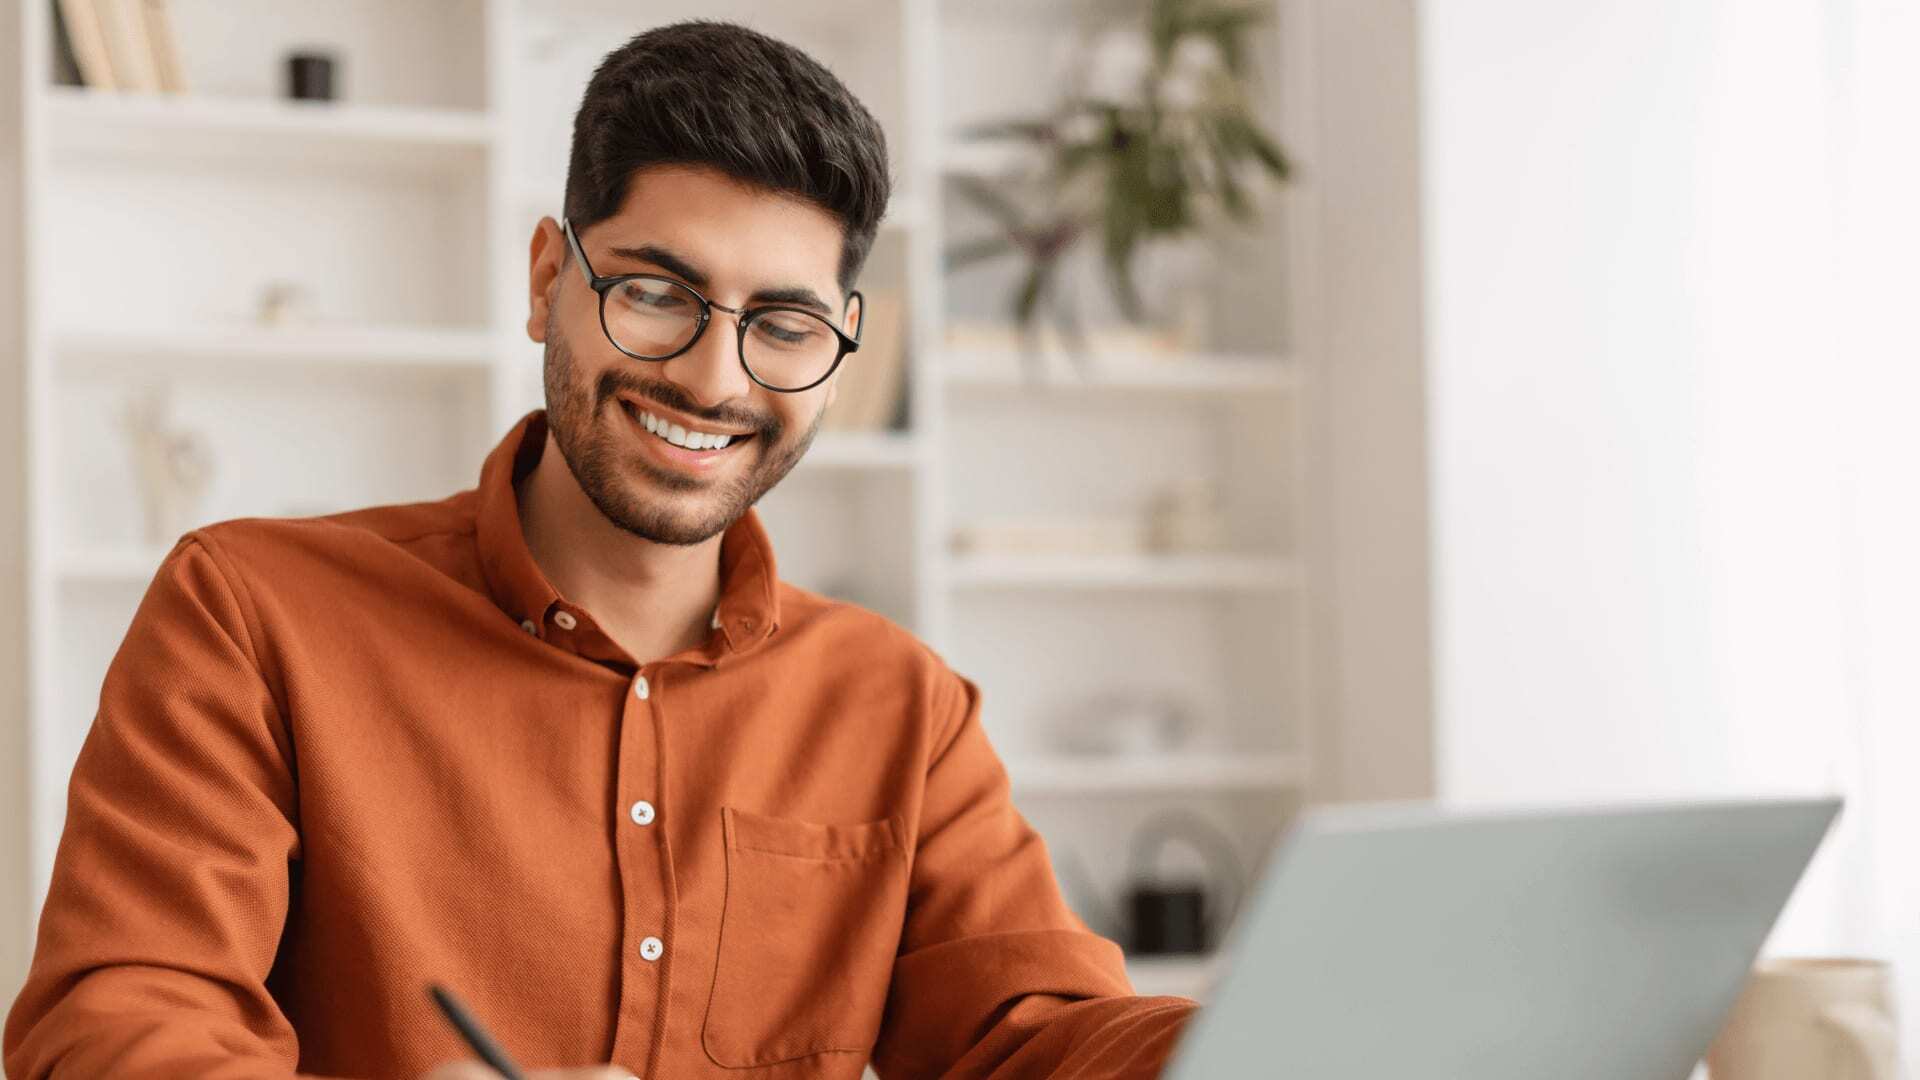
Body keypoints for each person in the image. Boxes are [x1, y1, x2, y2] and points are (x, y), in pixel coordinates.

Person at [3, 19, 1200, 1080]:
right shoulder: (252, 616)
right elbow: (116, 1027)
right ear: (546, 281)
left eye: (782, 324)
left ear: (839, 345)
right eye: (655, 293)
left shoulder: (902, 708)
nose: (713, 378)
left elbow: (1039, 1039)